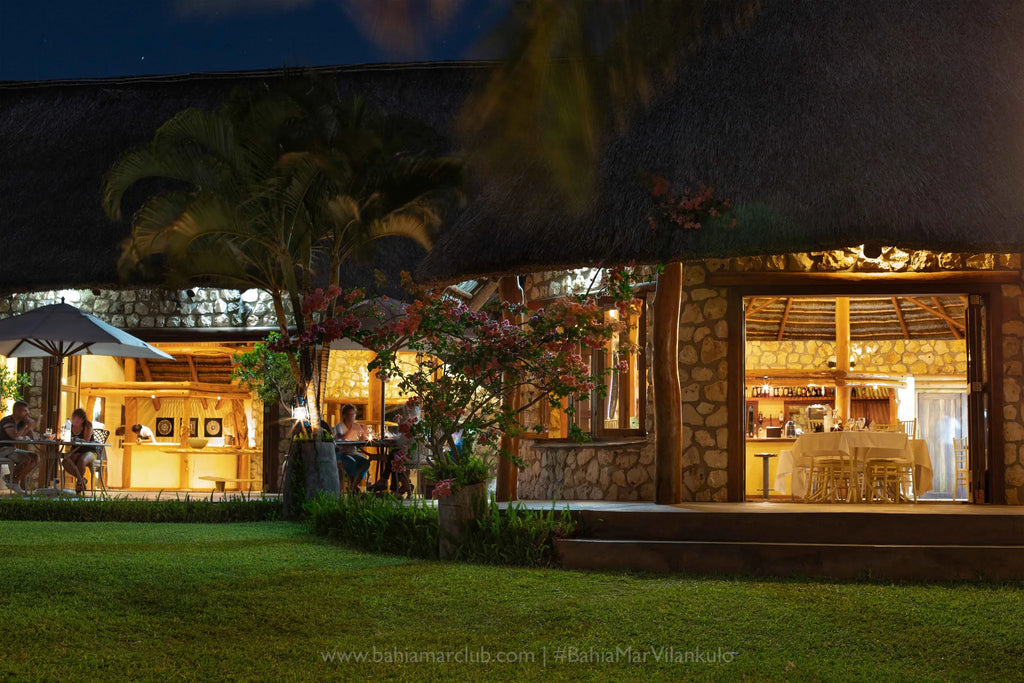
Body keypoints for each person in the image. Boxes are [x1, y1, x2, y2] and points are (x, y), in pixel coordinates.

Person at [0, 400, 39, 495]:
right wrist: (26, 425)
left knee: (35, 457)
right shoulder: (7, 421)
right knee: (27, 459)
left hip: (11, 450)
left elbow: (29, 433)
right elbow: (15, 436)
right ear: (17, 411)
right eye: (25, 411)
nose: (27, 414)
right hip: (3, 449)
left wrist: (30, 426)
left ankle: (13, 479)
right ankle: (11, 479)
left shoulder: (20, 423)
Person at [334, 404, 371, 492]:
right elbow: (341, 438)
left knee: (366, 462)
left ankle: (354, 485)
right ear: (344, 415)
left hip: (352, 452)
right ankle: (353, 486)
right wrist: (351, 429)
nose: (351, 417)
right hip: (341, 452)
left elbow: (363, 438)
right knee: (351, 462)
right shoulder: (339, 426)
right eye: (348, 414)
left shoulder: (356, 426)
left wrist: (364, 434)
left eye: (352, 414)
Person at [62, 408, 96, 495]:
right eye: (73, 418)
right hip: (76, 450)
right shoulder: (70, 426)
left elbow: (86, 441)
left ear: (82, 419)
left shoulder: (87, 426)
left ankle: (79, 484)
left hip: (89, 450)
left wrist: (77, 439)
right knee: (65, 462)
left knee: (82, 460)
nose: (75, 420)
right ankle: (82, 480)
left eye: (77, 418)